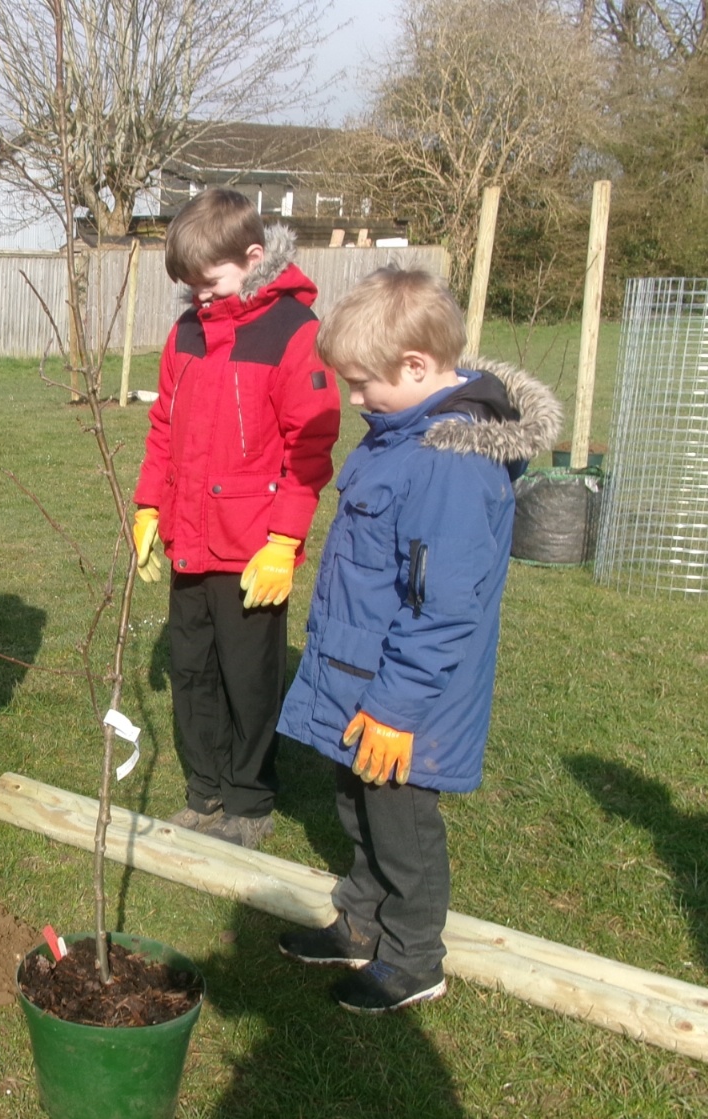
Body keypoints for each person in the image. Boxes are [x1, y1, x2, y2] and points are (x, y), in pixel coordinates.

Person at [275, 267, 561, 1014]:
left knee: (401, 825)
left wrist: (396, 710)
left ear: (415, 366)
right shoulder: (397, 435)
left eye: (363, 384)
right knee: (356, 806)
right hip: (362, 677)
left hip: (405, 697)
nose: (354, 400)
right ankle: (360, 923)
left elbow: (442, 610)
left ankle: (413, 959)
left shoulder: (449, 466)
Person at [131, 189, 341, 848]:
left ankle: (249, 801)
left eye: (211, 281)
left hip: (252, 548)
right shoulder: (187, 332)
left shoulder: (293, 332)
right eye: (190, 285)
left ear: (253, 257)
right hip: (189, 536)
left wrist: (284, 540)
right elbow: (164, 425)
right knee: (192, 669)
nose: (200, 296)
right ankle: (206, 791)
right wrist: (148, 506)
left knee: (249, 677)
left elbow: (310, 445)